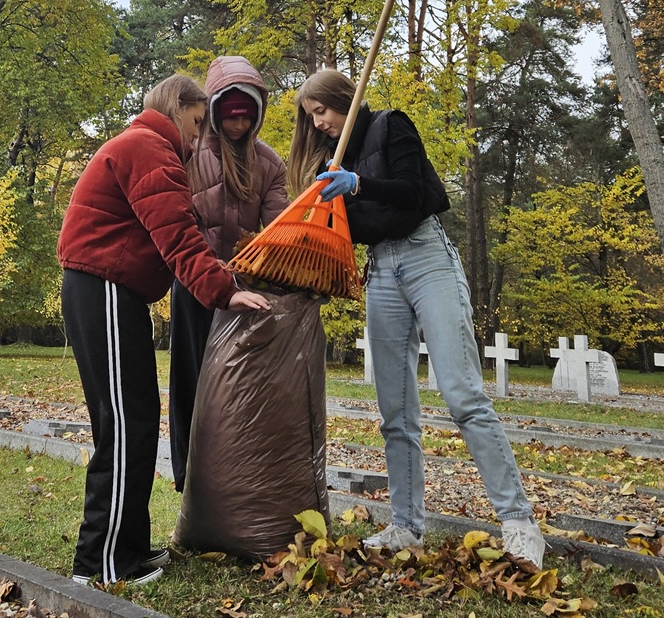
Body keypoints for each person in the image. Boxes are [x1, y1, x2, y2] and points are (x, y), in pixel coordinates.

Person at [288, 68, 546, 567]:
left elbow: (417, 193)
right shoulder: (329, 160)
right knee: (395, 412)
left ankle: (519, 524)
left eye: (322, 111)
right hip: (380, 270)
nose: (318, 123)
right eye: (311, 117)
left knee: (462, 394)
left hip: (427, 257)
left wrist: (359, 183)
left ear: (344, 98)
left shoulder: (390, 126)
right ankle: (407, 526)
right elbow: (343, 233)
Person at [59, 74, 271, 587]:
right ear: (176, 108)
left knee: (136, 419)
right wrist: (225, 290)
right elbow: (178, 236)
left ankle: (128, 549)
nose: (199, 138)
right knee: (123, 424)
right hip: (102, 288)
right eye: (197, 123)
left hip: (116, 291)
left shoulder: (147, 146)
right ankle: (102, 564)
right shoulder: (148, 148)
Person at [170, 55, 289, 491]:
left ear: (257, 114)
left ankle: (235, 475)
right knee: (192, 381)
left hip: (245, 289)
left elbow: (276, 229)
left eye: (246, 117)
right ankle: (188, 478)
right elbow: (180, 221)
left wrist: (279, 268)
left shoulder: (269, 164)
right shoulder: (189, 153)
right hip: (194, 282)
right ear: (216, 112)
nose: (238, 125)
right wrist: (210, 270)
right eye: (229, 117)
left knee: (239, 383)